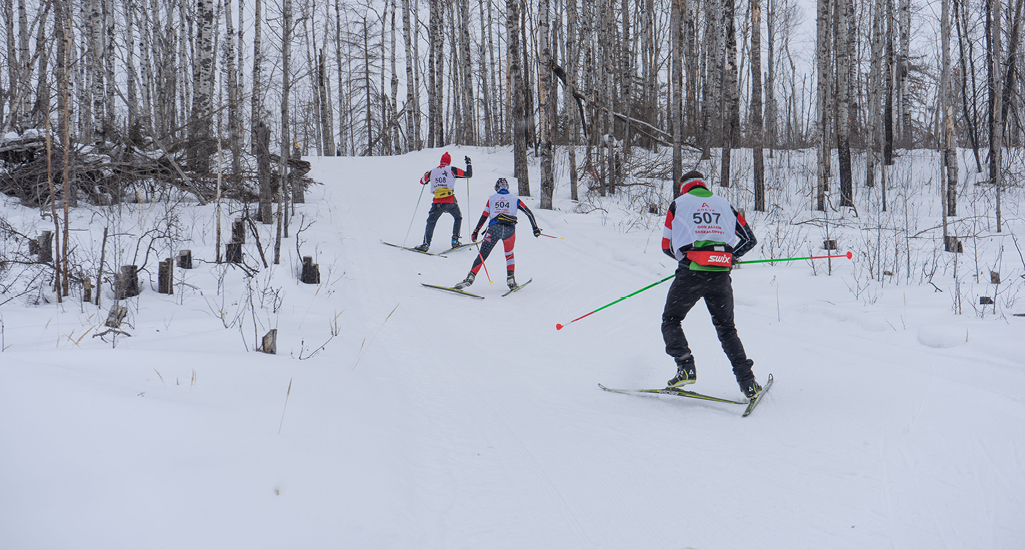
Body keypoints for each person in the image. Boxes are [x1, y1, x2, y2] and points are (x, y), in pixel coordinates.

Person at [660, 170, 762, 398]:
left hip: (691, 275)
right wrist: (729, 256)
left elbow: (666, 245)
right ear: (703, 184)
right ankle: (749, 383)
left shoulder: (678, 204)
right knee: (727, 329)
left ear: (683, 185)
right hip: (720, 276)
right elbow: (749, 239)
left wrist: (685, 260)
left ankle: (685, 366)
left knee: (671, 319)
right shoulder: (724, 204)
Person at [454, 178, 541, 290]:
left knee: (483, 254)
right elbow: (528, 213)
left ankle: (470, 278)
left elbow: (484, 216)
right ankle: (511, 280)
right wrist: (535, 229)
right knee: (509, 254)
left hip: (494, 229)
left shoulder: (492, 199)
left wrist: (476, 231)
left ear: (496, 188)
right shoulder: (515, 199)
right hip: (510, 230)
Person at [413, 152, 473, 252]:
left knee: (431, 222)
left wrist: (425, 176)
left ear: (441, 161)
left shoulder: (432, 171)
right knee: (458, 217)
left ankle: (426, 244)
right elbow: (468, 175)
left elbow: (422, 181)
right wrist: (469, 164)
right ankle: (455, 240)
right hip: (450, 201)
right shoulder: (452, 169)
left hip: (437, 202)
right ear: (448, 162)